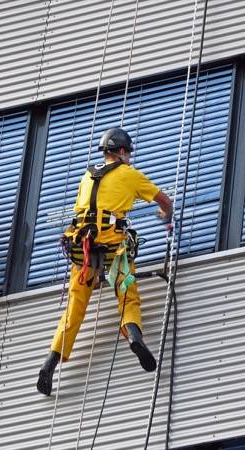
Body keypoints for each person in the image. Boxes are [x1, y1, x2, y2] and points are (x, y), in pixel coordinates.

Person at [37, 127, 174, 396]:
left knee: (75, 305)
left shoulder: (87, 175)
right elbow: (165, 202)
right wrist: (165, 217)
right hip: (113, 245)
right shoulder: (130, 175)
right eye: (129, 153)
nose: (130, 158)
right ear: (122, 152)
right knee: (127, 294)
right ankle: (134, 337)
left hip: (83, 248)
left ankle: (50, 362)